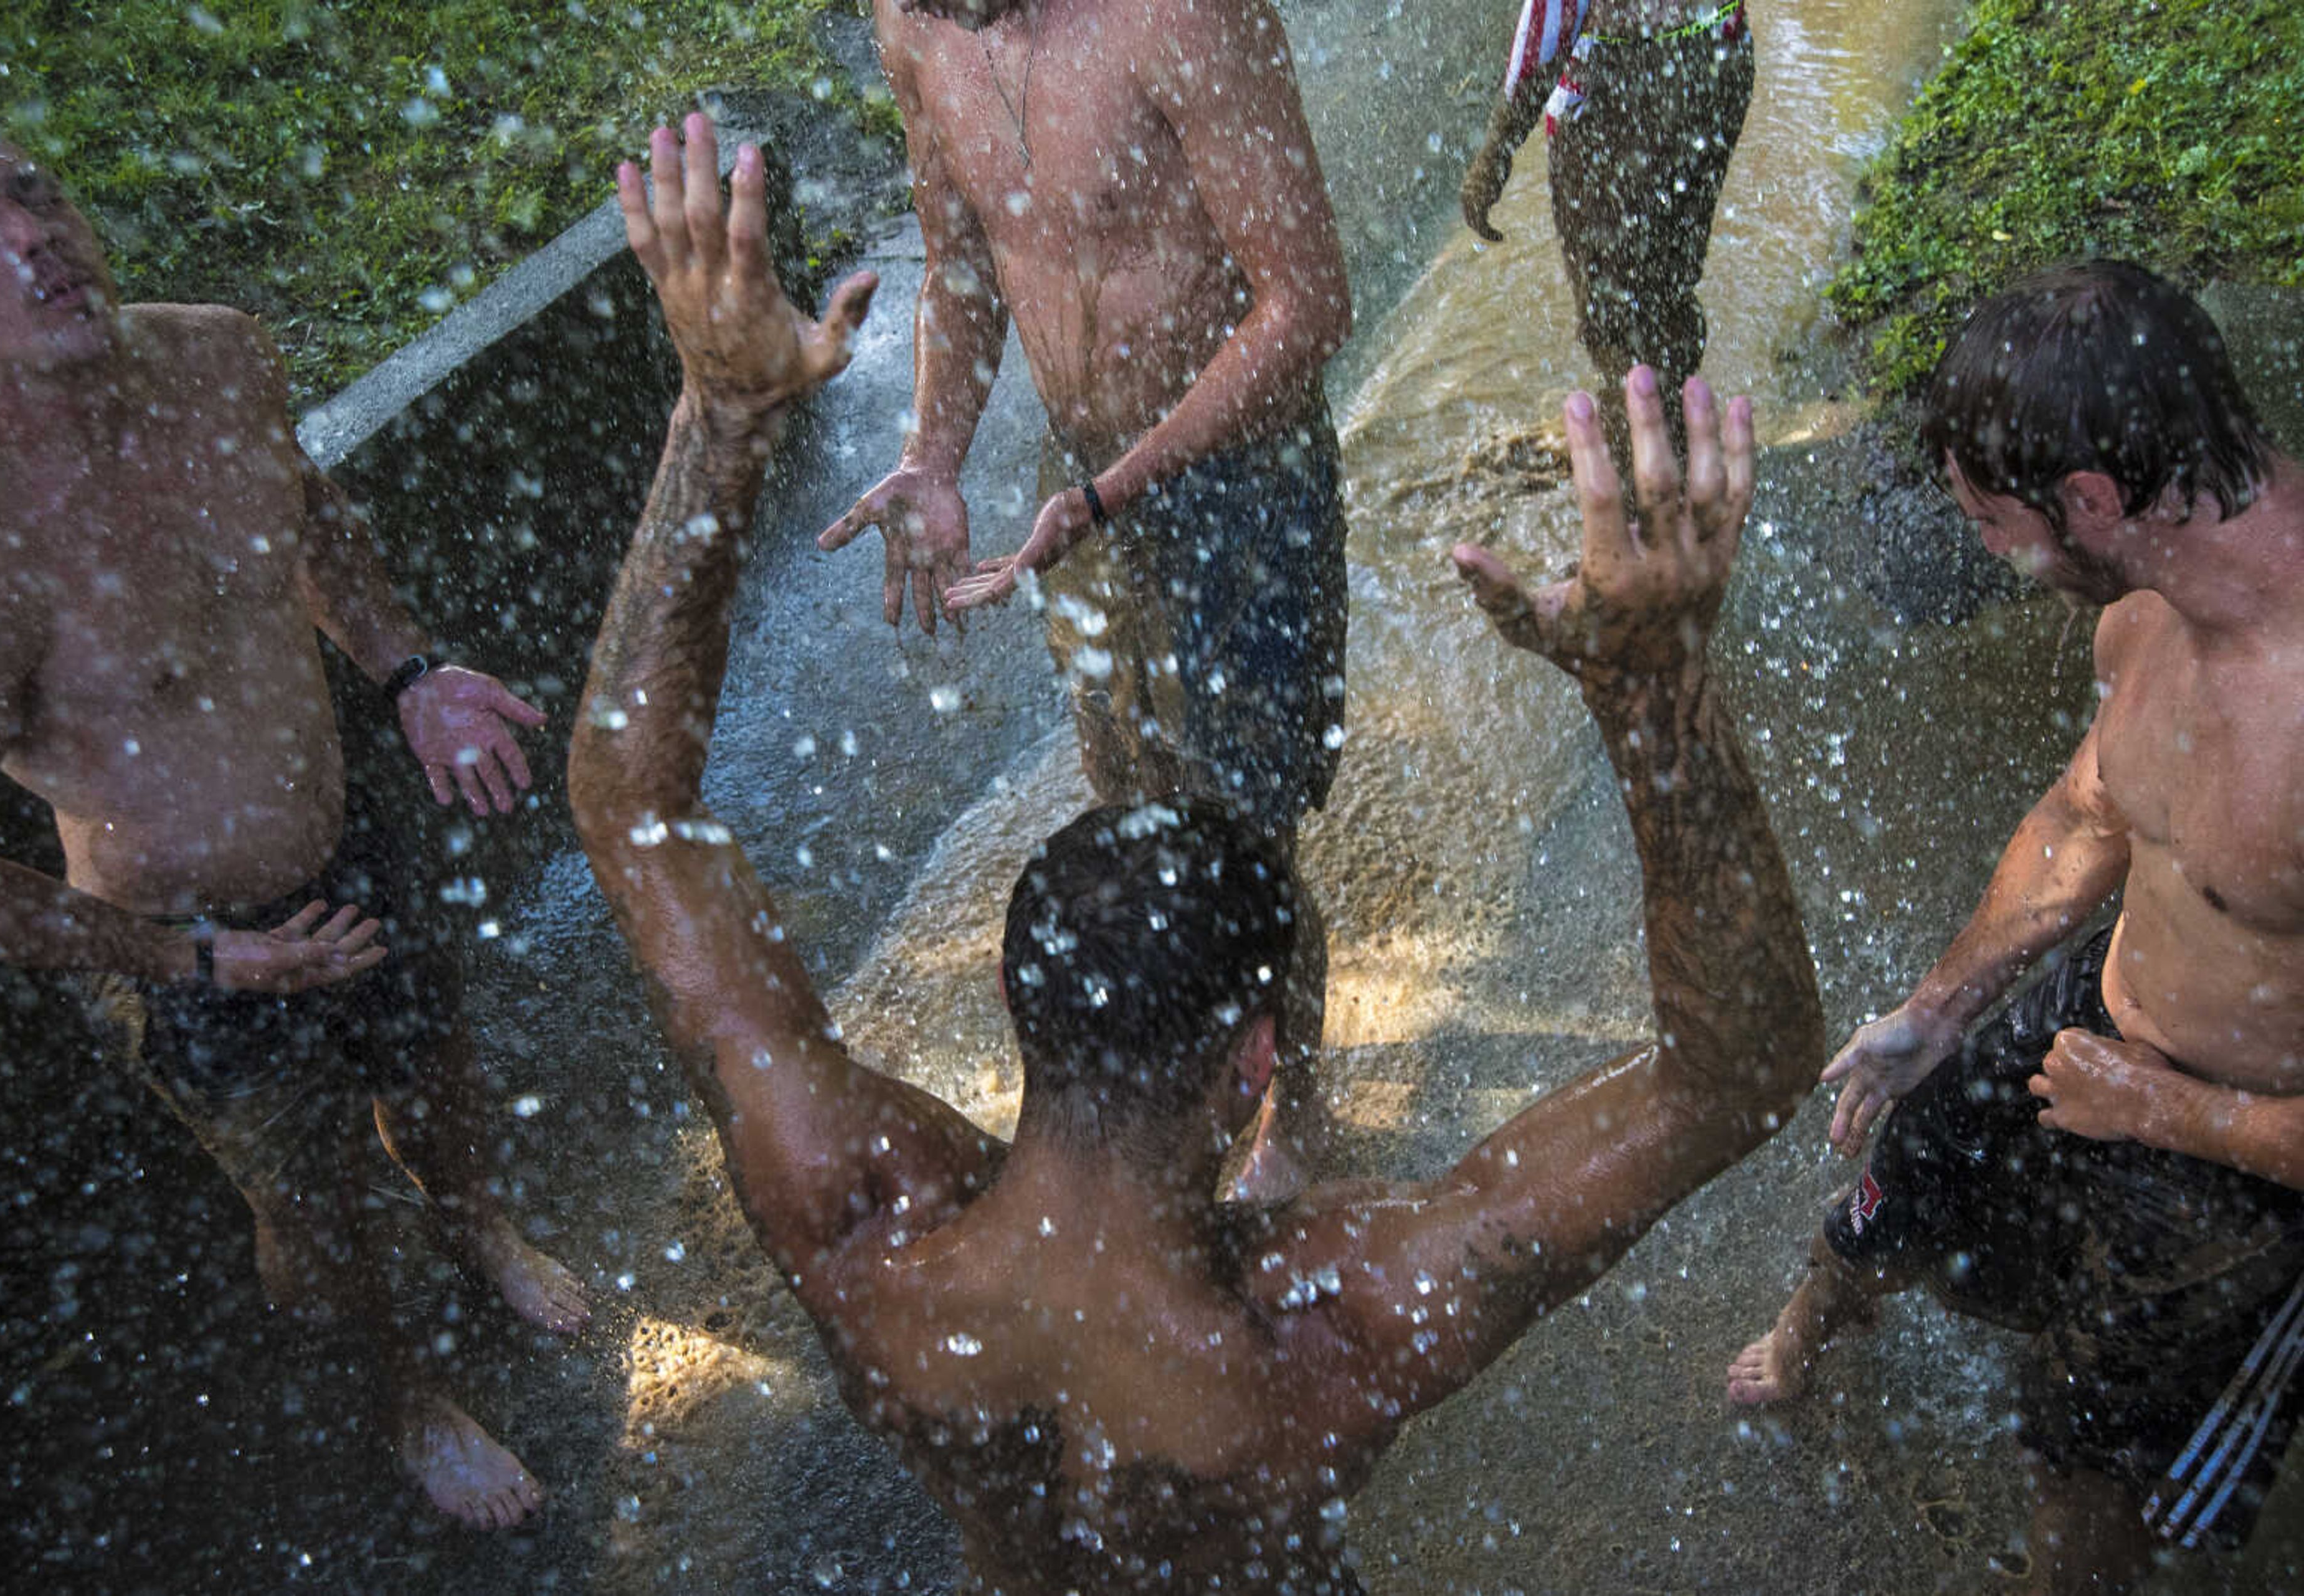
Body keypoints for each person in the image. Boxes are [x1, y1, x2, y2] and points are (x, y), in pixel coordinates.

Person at [572, 113, 1821, 1593]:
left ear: (1014, 1000)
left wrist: (718, 420)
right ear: (1249, 1066)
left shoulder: (858, 1223)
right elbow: (1737, 1074)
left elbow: (626, 805)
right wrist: (1654, 698)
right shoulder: (1336, 1323)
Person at [0, 103, 588, 1529]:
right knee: (317, 1220)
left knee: (437, 1066)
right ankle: (405, 1399)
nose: (35, 234)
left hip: (350, 840)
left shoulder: (216, 352)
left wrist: (403, 669)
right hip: (191, 948)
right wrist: (197, 968)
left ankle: (474, 1224)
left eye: (31, 190)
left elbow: (315, 515)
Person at [1727, 261, 2304, 1592]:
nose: (1988, 551)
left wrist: (2170, 1116)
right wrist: (1940, 1007)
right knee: (1905, 1160)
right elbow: (2091, 811)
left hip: (2240, 1147)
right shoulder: (2149, 605)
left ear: (2091, 500)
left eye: (1995, 525)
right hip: (2105, 1021)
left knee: (2093, 1452)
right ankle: (1816, 1329)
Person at [813, 0, 1357, 1190]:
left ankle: (1303, 1112)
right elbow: (960, 261)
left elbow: (1308, 303)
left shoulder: (1185, 16)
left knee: (1244, 845)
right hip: (1091, 497)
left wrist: (1114, 490)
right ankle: (1172, 1096)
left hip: (1242, 487)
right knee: (1133, 825)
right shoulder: (913, 26)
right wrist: (937, 453)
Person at [1458, 0, 1753, 469]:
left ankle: (1638, 489)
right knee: (1667, 286)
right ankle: (1677, 440)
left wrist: (1496, 151)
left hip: (1624, 87)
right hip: (1720, 56)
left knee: (1615, 314)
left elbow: (1553, 17)